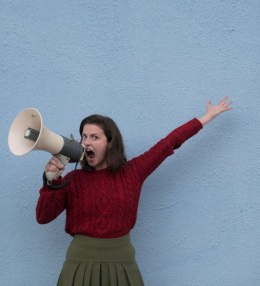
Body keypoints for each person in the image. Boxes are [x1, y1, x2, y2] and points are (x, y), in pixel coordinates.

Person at [36, 97, 233, 286]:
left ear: (110, 142)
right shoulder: (72, 180)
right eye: (84, 137)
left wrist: (206, 118)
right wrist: (51, 180)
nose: (86, 142)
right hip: (79, 263)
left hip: (122, 263)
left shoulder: (133, 172)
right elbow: (43, 217)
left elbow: (169, 143)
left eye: (94, 137)